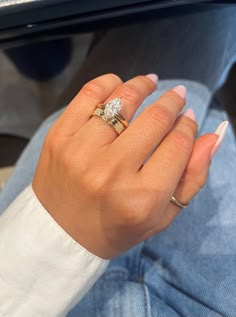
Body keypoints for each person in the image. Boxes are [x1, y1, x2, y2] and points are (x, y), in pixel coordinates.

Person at [1, 5, 236, 317]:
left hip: (25, 245)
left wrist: (46, 232)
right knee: (205, 15)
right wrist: (53, 240)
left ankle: (45, 63)